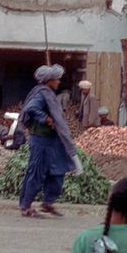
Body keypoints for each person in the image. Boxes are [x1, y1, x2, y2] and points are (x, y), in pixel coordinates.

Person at [18, 64, 79, 218]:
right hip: (40, 140)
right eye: (56, 79)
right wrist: (45, 118)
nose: (59, 81)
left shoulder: (49, 93)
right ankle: (25, 206)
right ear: (48, 80)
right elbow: (30, 109)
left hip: (53, 140)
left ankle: (48, 202)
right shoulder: (41, 94)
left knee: (58, 170)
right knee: (37, 171)